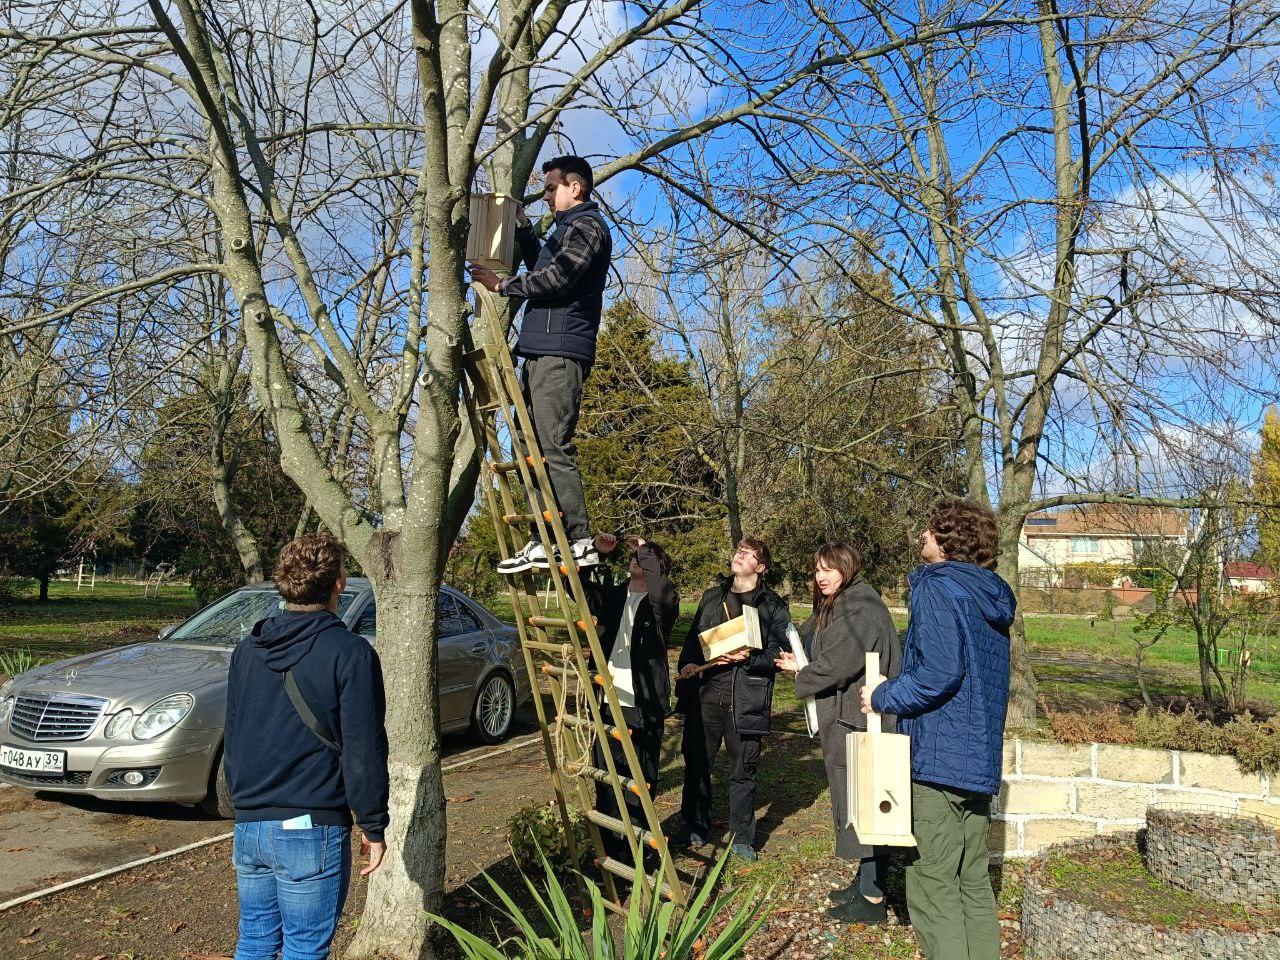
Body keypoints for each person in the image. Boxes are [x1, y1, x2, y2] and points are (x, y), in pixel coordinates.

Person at [860, 499, 1014, 960]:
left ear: (946, 539)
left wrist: (882, 695)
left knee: (931, 881)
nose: (921, 536)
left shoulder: (936, 586)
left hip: (939, 760)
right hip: (978, 760)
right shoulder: (991, 594)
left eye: (928, 530)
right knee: (972, 880)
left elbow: (938, 673)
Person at [224, 534, 389, 960]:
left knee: (256, 942)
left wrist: (244, 806)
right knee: (304, 949)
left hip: (250, 826)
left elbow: (234, 733)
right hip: (310, 827)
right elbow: (364, 748)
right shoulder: (350, 653)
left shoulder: (247, 651)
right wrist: (373, 825)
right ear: (338, 583)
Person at [468, 155, 612, 575]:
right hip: (540, 350)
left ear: (576, 188)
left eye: (552, 188)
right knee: (531, 450)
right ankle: (545, 538)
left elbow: (558, 279)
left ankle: (580, 538)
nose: (546, 196)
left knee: (551, 446)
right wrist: (523, 227)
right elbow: (543, 266)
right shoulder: (565, 230)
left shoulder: (587, 227)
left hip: (560, 352)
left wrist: (502, 285)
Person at [775, 541, 902, 924]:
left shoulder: (858, 606)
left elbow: (837, 664)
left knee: (867, 804)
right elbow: (814, 641)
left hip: (863, 721)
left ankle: (873, 897)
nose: (821, 576)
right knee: (854, 804)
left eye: (829, 569)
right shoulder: (840, 604)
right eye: (817, 570)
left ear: (848, 568)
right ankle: (864, 883)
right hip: (851, 718)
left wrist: (801, 671)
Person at [674, 537, 790, 862]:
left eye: (748, 553)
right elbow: (693, 643)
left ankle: (742, 838)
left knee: (743, 771)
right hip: (706, 697)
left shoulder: (772, 606)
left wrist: (749, 658)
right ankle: (694, 826)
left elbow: (779, 654)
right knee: (697, 764)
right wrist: (687, 663)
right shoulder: (712, 598)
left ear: (761, 567)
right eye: (739, 550)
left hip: (747, 700)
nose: (739, 555)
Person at [584, 533, 678, 867]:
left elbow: (662, 590)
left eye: (647, 557)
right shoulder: (614, 595)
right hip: (609, 699)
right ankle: (613, 850)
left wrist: (645, 548)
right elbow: (581, 590)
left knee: (640, 780)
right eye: (636, 555)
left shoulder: (661, 604)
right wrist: (596, 553)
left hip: (644, 704)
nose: (636, 558)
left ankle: (641, 851)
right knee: (608, 776)